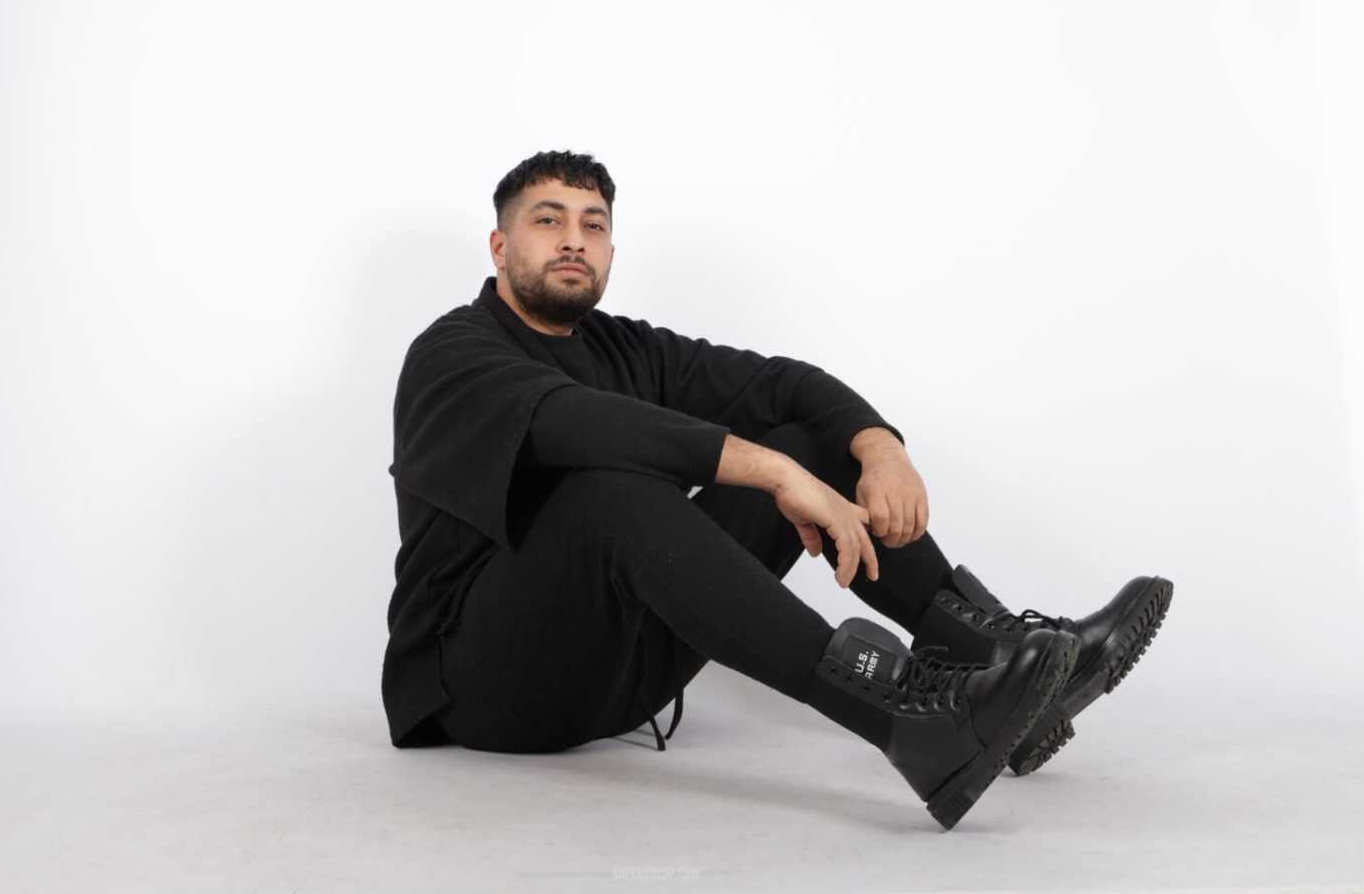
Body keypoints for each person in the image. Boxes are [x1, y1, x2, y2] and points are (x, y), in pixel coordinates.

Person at [382, 149, 1174, 829]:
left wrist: (879, 448)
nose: (573, 240)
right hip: (482, 687)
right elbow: (580, 424)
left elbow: (782, 385)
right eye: (548, 220)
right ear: (500, 245)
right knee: (612, 491)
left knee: (809, 438)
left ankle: (1007, 666)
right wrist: (775, 474)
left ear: (611, 249)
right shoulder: (453, 354)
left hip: (619, 682)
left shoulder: (626, 348)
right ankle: (909, 720)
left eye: (593, 225)